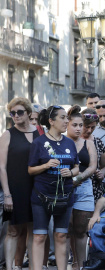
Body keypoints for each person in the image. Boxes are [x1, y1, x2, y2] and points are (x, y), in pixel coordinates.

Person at [28, 105, 80, 270]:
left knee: (61, 235)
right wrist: (46, 165)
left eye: (67, 118)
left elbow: (77, 167)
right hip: (41, 196)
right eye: (63, 118)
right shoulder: (39, 143)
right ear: (51, 121)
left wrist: (71, 172)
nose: (67, 121)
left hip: (65, 197)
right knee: (39, 237)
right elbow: (30, 170)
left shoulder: (69, 143)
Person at [0, 98, 39, 270]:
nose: (15, 115)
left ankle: (32, 266)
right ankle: (9, 267)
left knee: (33, 230)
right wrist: (7, 194)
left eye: (19, 112)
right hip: (15, 189)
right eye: (13, 113)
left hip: (36, 188)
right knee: (13, 231)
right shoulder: (8, 134)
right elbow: (1, 167)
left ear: (29, 113)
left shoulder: (39, 132)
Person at [66, 105, 97, 270]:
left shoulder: (88, 143)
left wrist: (79, 177)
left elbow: (93, 166)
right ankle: (69, 263)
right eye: (75, 125)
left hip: (84, 187)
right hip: (65, 186)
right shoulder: (61, 142)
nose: (79, 129)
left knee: (81, 230)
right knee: (66, 229)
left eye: (80, 126)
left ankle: (80, 265)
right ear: (67, 124)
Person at [80, 108, 105, 202]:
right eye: (86, 127)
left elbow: (104, 166)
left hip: (94, 189)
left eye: (93, 127)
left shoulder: (98, 142)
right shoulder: (72, 140)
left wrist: (102, 174)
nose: (89, 130)